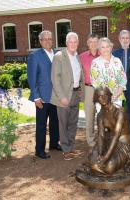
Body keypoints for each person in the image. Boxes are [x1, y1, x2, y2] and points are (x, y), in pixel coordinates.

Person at [50, 32, 85, 161]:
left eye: (75, 42)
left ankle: (70, 147)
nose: (73, 44)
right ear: (66, 43)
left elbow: (80, 75)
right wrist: (61, 96)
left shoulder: (77, 56)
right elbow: (55, 78)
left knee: (73, 123)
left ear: (78, 43)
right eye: (70, 42)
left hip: (75, 93)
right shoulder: (59, 56)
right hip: (64, 96)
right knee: (63, 124)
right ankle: (65, 149)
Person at [88, 86, 130, 174]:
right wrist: (100, 154)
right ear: (96, 99)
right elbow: (101, 135)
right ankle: (100, 166)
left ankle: (127, 160)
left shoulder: (119, 112)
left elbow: (116, 136)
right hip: (109, 141)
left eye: (105, 95)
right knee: (92, 159)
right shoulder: (100, 115)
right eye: (99, 96)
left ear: (110, 96)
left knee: (109, 166)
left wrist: (105, 158)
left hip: (123, 144)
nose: (103, 98)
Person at [27, 30, 61, 159]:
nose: (48, 41)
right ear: (40, 41)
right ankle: (39, 150)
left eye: (50, 38)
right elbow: (32, 78)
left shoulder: (57, 54)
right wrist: (36, 97)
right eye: (45, 39)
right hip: (42, 97)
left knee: (55, 122)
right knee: (41, 124)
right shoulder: (35, 56)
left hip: (55, 96)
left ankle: (53, 144)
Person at [112, 30, 130, 141]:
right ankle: (118, 137)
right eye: (123, 38)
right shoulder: (114, 54)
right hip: (118, 89)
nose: (125, 40)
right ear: (119, 39)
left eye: (127, 38)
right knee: (117, 113)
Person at [90, 37, 127, 108]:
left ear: (111, 47)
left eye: (107, 46)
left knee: (117, 119)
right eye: (102, 47)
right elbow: (96, 83)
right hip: (103, 100)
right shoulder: (95, 63)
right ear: (99, 49)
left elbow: (123, 79)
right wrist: (108, 97)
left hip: (117, 99)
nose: (105, 49)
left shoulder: (117, 61)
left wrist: (116, 94)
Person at [79, 34, 99, 147]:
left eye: (95, 41)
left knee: (103, 115)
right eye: (91, 41)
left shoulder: (104, 55)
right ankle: (91, 141)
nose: (93, 44)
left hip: (101, 89)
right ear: (87, 43)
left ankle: (103, 139)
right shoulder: (81, 56)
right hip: (88, 89)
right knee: (89, 116)